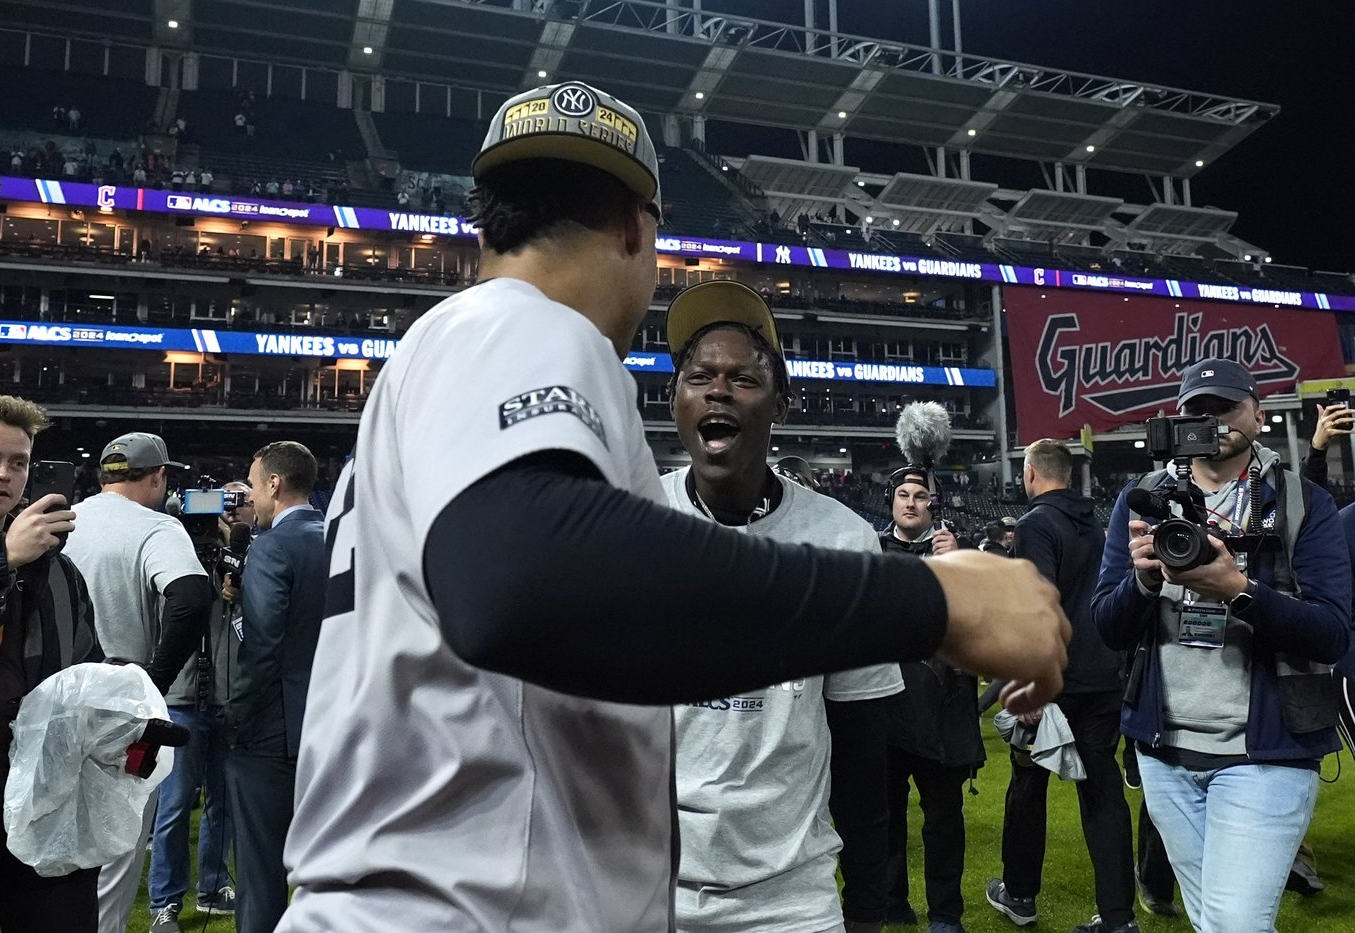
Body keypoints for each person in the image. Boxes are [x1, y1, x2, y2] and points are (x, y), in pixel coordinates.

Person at [277, 80, 1070, 931]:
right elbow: (520, 580)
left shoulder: (435, 353)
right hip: (466, 905)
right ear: (636, 227)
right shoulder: (530, 328)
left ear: (487, 223)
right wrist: (935, 600)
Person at [663, 280, 905, 932]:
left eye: (744, 378)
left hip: (791, 900)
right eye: (700, 376)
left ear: (781, 405)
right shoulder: (633, 519)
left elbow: (862, 750)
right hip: (648, 888)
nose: (718, 389)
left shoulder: (844, 540)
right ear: (674, 400)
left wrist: (867, 911)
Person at [1093, 358, 1351, 933]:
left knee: (1234, 922)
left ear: (1258, 416)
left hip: (1268, 751)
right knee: (1214, 917)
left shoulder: (1301, 502)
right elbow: (1107, 628)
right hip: (1164, 753)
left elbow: (1332, 633)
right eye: (1197, 410)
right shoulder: (1141, 500)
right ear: (1177, 421)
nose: (1211, 420)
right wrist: (1142, 582)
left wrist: (1239, 591)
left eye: (1225, 407)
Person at [62, 432, 215, 933]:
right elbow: (192, 597)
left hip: (53, 704)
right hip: (122, 710)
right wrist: (156, 682)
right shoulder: (157, 525)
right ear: (157, 476)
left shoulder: (63, 519)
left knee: (55, 848)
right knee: (116, 851)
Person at [0, 394, 97, 932]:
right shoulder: (8, 553)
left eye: (18, 463)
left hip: (35, 803)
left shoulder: (57, 569)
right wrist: (1, 557)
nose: (4, 475)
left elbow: (86, 664)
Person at [985, 439, 1136, 933]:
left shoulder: (1034, 524)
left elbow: (1038, 605)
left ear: (1030, 473)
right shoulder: (1099, 521)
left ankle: (1020, 895)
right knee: (1103, 792)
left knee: (1028, 783)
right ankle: (1118, 917)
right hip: (1104, 676)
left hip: (1055, 679)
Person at [833, 468, 983, 933]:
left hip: (943, 710)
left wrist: (959, 566)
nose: (912, 502)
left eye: (921, 495)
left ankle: (945, 913)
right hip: (880, 708)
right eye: (903, 494)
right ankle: (891, 902)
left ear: (933, 505)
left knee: (943, 822)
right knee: (884, 819)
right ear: (891, 501)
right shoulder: (868, 549)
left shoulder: (961, 555)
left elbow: (981, 628)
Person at [222, 444, 326, 933]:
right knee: (332, 872)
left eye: (253, 482)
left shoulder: (271, 547)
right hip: (340, 725)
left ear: (274, 485)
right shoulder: (346, 537)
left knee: (262, 874)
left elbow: (263, 647)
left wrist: (236, 717)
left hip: (273, 729)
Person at [146, 480, 252, 932]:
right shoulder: (169, 555)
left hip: (227, 695)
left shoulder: (248, 557)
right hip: (182, 696)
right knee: (173, 807)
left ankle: (213, 888)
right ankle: (165, 903)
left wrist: (236, 562)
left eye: (234, 504)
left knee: (222, 805)